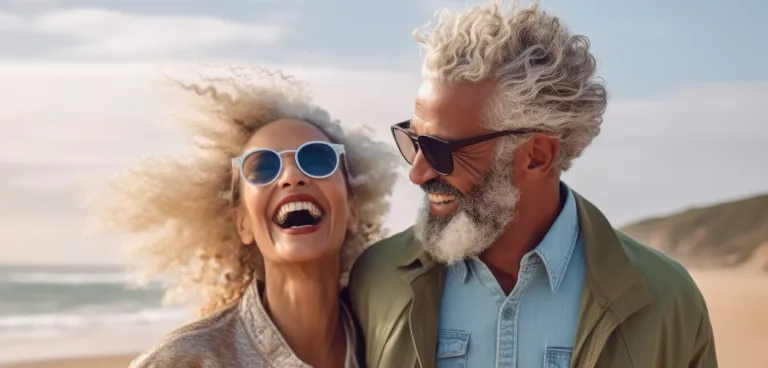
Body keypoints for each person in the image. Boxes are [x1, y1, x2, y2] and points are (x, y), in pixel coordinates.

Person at [348, 1, 718, 367]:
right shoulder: (375, 281)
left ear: (537, 155)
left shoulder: (667, 300)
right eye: (413, 140)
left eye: (439, 150)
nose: (417, 172)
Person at [92, 67, 398, 367]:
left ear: (352, 212)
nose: (292, 176)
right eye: (263, 167)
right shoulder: (184, 362)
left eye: (317, 159)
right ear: (243, 223)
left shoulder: (396, 342)